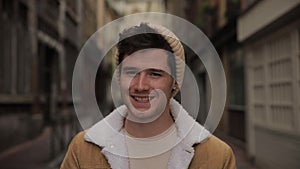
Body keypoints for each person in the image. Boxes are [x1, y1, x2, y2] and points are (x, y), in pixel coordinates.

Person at [61, 23, 236, 169]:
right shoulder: (82, 150)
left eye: (155, 74)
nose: (140, 86)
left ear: (174, 82)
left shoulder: (217, 157)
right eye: (131, 72)